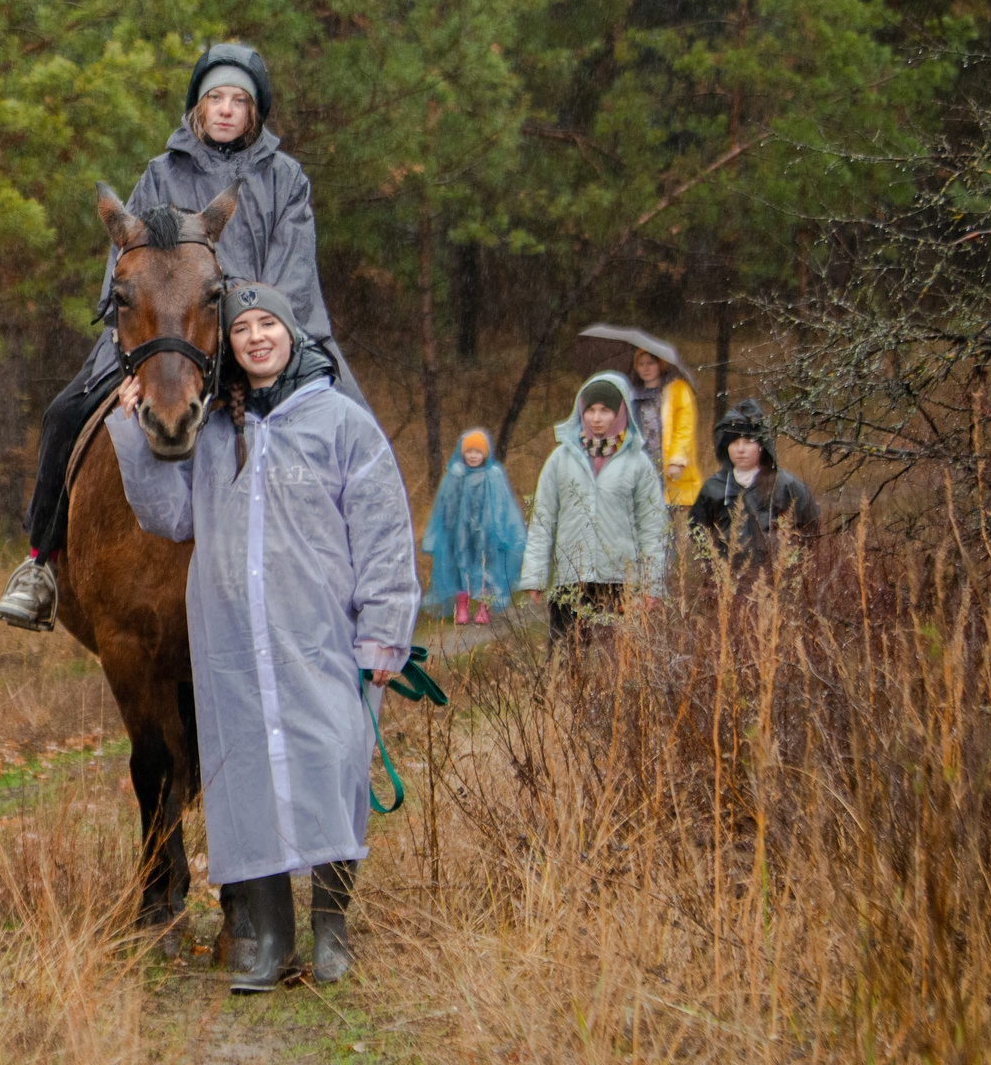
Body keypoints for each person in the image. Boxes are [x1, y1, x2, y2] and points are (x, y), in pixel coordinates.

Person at [105, 281, 418, 992]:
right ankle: (270, 938)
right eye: (242, 327)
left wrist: (383, 633)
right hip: (233, 647)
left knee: (334, 765)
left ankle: (331, 931)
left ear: (291, 332)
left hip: (322, 637)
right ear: (231, 346)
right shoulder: (217, 430)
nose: (254, 337)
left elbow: (384, 531)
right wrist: (131, 432)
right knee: (247, 782)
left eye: (266, 323)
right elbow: (168, 518)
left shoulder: (342, 422)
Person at [0, 42, 364, 632]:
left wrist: (247, 323)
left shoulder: (285, 179)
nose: (224, 109)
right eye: (214, 97)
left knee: (349, 413)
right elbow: (125, 250)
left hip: (259, 329)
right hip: (159, 333)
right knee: (64, 414)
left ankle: (358, 575)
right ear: (197, 105)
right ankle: (39, 564)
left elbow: (293, 272)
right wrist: (125, 315)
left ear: (254, 112)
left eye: (238, 100)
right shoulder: (160, 173)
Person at [518, 373, 669, 640]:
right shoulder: (560, 459)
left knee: (619, 666)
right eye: (590, 410)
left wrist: (652, 584)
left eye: (605, 411)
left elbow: (653, 527)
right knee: (567, 662)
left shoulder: (638, 463)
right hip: (570, 581)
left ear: (620, 412)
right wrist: (536, 574)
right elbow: (543, 519)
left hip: (621, 582)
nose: (596, 418)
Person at [689, 399, 820, 579]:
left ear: (761, 445)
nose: (740, 449)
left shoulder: (784, 484)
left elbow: (810, 525)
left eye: (748, 442)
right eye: (734, 443)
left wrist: (791, 562)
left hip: (775, 580)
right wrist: (714, 562)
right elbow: (697, 529)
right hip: (727, 582)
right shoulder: (714, 487)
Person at [421, 429, 527, 625]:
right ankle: (461, 608)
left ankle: (482, 607)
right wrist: (448, 525)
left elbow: (502, 504)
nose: (473, 456)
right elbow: (447, 502)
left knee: (486, 569)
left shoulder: (493, 475)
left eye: (477, 452)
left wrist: (500, 530)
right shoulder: (456, 474)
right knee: (461, 567)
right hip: (460, 533)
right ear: (462, 453)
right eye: (469, 451)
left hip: (487, 533)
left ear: (485, 454)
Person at [625, 346, 702, 509]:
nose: (645, 368)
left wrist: (677, 460)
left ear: (660, 364)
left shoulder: (678, 390)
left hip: (667, 467)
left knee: (669, 515)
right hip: (641, 464)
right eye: (641, 364)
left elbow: (684, 428)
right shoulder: (631, 396)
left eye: (651, 363)